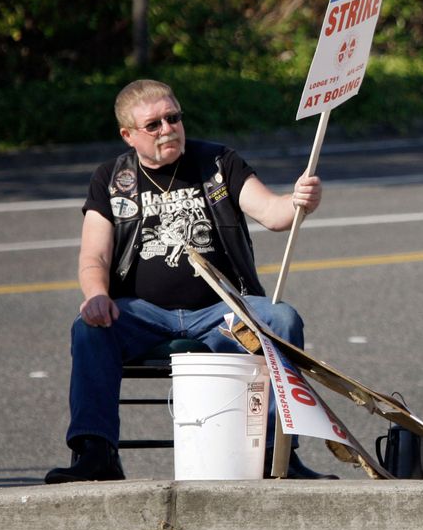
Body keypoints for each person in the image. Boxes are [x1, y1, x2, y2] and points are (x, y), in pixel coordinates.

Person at [45, 79, 335, 483]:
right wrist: (96, 295)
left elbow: (273, 213)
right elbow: (95, 255)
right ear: (128, 135)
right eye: (154, 125)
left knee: (281, 319)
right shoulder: (111, 178)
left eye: (173, 118)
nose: (168, 129)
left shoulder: (217, 162)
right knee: (89, 328)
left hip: (222, 312)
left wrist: (299, 200)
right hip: (141, 315)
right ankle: (96, 453)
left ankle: (276, 457)